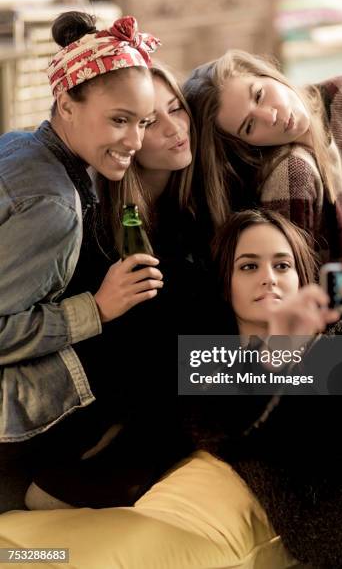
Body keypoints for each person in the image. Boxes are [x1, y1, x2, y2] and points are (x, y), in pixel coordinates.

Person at [24, 62, 225, 511]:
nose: (175, 129)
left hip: (201, 376)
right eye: (151, 121)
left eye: (177, 108)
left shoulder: (197, 205)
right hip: (112, 401)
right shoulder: (96, 229)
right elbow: (129, 359)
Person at [187, 208, 342, 568]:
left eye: (283, 265)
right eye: (249, 266)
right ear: (225, 284)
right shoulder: (212, 368)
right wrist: (277, 351)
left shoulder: (340, 343)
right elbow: (231, 419)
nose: (269, 278)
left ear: (302, 278)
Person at [0, 10, 161, 511]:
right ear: (66, 103)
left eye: (144, 122)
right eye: (119, 120)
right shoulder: (52, 205)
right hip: (11, 416)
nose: (135, 141)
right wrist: (98, 309)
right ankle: (56, 494)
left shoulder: (19, 145)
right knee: (163, 371)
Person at [183, 50, 342, 277]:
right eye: (249, 126)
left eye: (259, 94)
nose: (270, 116)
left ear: (266, 74)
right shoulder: (289, 174)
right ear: (243, 145)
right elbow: (301, 293)